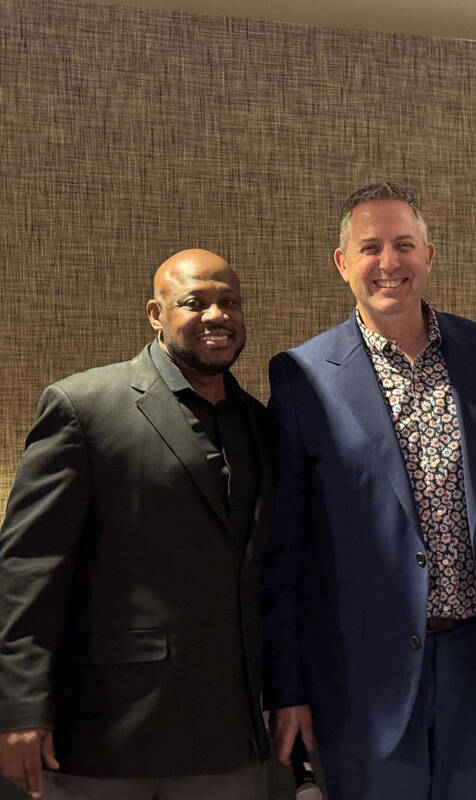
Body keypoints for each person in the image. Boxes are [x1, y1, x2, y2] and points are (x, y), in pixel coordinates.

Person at [262, 182, 476, 800]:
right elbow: (286, 551)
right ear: (342, 262)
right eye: (371, 247)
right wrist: (288, 688)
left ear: (429, 255)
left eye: (404, 245)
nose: (390, 262)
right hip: (364, 678)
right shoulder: (302, 375)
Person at [0, 249, 273, 799]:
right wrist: (19, 706)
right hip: (106, 733)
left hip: (230, 734)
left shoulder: (262, 425)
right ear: (156, 313)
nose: (217, 316)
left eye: (230, 303)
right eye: (195, 302)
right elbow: (28, 570)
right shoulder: (84, 407)